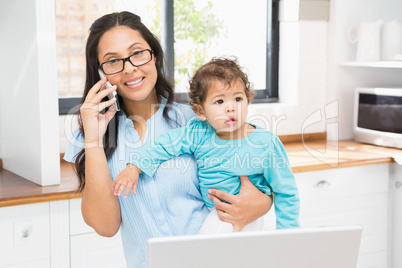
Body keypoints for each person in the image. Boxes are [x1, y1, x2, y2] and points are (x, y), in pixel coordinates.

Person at [63, 11, 273, 268]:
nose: (129, 68)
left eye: (138, 52)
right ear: (100, 72)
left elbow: (253, 178)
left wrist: (263, 202)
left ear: (154, 55)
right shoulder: (88, 137)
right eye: (113, 61)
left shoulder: (196, 122)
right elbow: (105, 226)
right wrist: (93, 139)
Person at [113, 57, 300, 234]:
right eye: (219, 101)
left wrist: (288, 235)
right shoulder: (198, 133)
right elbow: (165, 145)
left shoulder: (266, 144)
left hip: (248, 219)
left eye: (238, 99)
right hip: (215, 215)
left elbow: (286, 192)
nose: (231, 107)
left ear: (248, 101)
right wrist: (135, 166)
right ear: (200, 111)